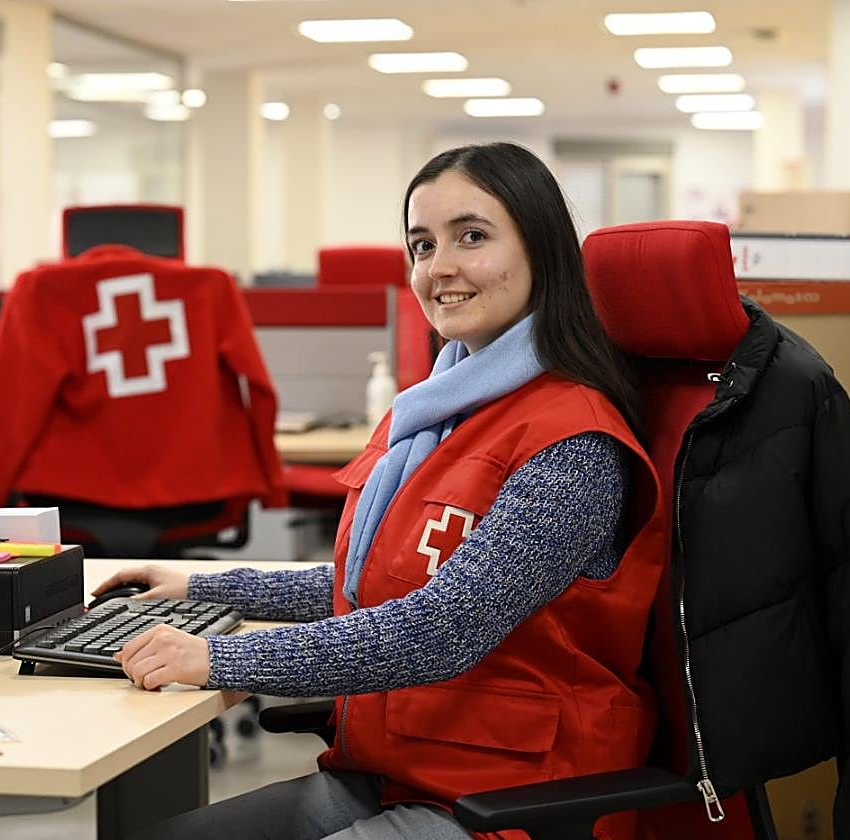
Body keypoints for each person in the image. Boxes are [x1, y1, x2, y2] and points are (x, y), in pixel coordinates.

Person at [104, 142, 668, 840]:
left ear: (543, 251)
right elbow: (375, 583)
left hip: (508, 799)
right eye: (422, 245)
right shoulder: (440, 412)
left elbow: (442, 627)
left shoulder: (572, 444)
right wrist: (205, 587)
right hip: (397, 769)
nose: (439, 267)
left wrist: (221, 658)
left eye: (472, 236)